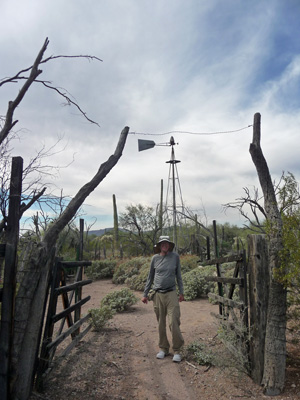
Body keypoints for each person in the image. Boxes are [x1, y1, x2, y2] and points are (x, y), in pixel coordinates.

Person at [142, 236, 185, 362]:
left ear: (169, 245)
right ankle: (163, 349)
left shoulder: (175, 257)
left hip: (171, 293)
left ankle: (177, 350)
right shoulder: (154, 259)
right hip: (158, 294)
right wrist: (145, 294)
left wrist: (181, 292)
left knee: (174, 321)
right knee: (161, 323)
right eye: (162, 243)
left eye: (167, 243)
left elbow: (179, 276)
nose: (165, 245)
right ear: (159, 246)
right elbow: (150, 277)